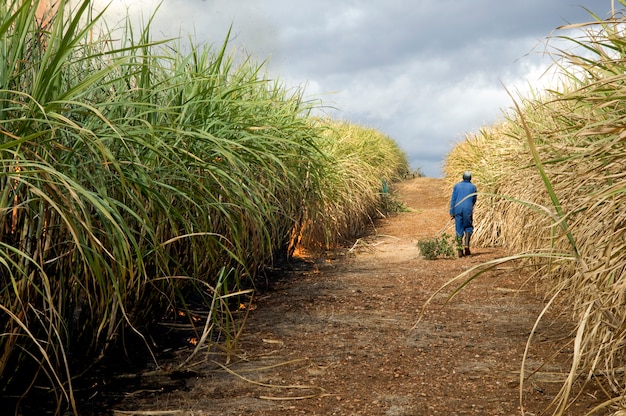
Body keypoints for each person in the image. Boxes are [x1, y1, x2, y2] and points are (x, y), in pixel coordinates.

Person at [449, 171, 477, 257]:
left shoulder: (457, 186)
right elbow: (474, 199)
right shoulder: (473, 187)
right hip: (467, 209)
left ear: (463, 177)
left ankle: (459, 249)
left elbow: (453, 199)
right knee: (468, 226)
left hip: (458, 208)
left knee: (459, 228)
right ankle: (466, 245)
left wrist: (452, 211)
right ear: (470, 178)